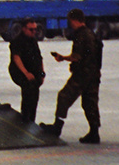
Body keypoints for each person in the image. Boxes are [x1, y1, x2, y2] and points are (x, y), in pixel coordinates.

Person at [43, 8, 102, 144]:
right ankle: (94, 132)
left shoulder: (81, 35)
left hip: (82, 74)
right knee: (90, 103)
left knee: (64, 96)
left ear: (74, 20)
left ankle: (57, 127)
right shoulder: (91, 34)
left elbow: (77, 56)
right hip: (93, 74)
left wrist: (63, 58)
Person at [8, 19, 45, 124]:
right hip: (19, 71)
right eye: (31, 30)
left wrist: (42, 73)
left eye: (35, 30)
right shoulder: (17, 41)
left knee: (35, 92)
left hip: (33, 70)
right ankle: (25, 118)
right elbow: (16, 58)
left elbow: (39, 58)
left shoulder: (33, 40)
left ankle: (32, 119)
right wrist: (26, 73)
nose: (34, 32)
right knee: (28, 89)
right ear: (24, 29)